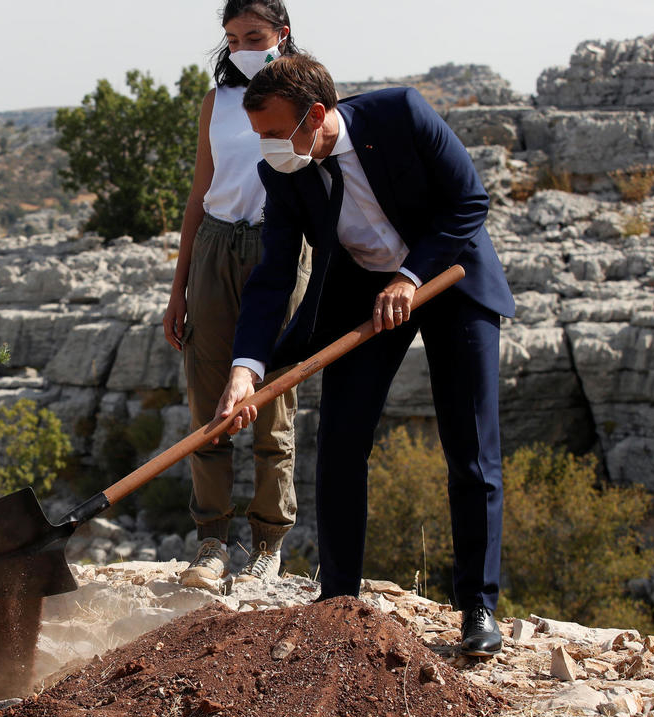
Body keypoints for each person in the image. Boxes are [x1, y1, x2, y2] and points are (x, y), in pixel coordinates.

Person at [216, 55, 514, 656]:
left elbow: (468, 202)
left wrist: (410, 275)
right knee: (342, 441)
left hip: (449, 276)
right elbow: (274, 275)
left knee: (470, 447)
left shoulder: (401, 113)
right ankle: (337, 602)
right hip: (363, 297)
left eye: (274, 133)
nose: (266, 148)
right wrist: (245, 369)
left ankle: (478, 609)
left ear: (317, 115)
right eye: (259, 136)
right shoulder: (285, 171)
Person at [164, 0, 310, 589]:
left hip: (280, 246)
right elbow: (201, 190)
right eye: (232, 38)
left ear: (282, 33)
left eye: (254, 35)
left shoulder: (307, 98)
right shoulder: (218, 102)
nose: (242, 47)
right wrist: (179, 288)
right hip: (216, 248)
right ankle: (211, 540)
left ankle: (269, 543)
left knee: (273, 397)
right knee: (209, 398)